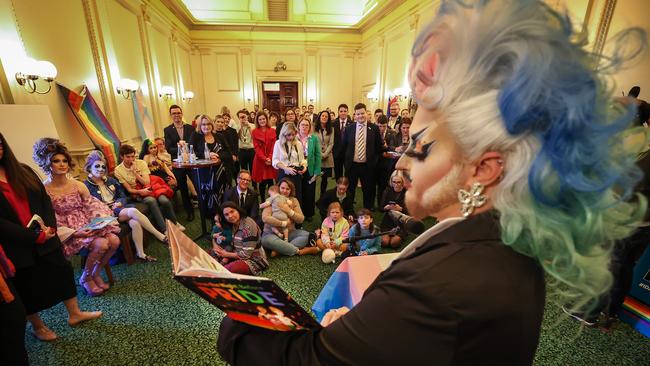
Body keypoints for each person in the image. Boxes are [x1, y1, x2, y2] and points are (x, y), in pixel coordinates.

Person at [218, 1, 646, 364]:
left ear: (484, 168)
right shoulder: (510, 243)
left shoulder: (440, 287)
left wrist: (237, 319)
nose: (401, 164)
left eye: (421, 150)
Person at [0, 134, 101, 345]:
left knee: (62, 271)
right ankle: (38, 327)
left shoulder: (22, 170)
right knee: (27, 285)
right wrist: (32, 236)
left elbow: (44, 200)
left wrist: (48, 227)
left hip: (46, 234)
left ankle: (75, 313)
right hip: (17, 243)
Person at [34, 138, 122, 298]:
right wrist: (75, 233)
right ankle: (85, 278)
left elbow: (92, 206)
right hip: (67, 231)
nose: (61, 164)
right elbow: (49, 219)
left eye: (64, 161)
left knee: (115, 241)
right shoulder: (44, 190)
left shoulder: (77, 185)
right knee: (102, 244)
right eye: (56, 161)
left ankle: (94, 273)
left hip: (87, 224)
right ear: (48, 163)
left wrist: (100, 223)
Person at [84, 151, 166, 262]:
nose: (101, 169)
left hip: (118, 209)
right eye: (97, 166)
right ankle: (160, 235)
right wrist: (105, 208)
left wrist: (119, 202)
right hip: (104, 216)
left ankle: (140, 254)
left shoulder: (110, 180)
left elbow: (122, 195)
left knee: (135, 223)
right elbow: (88, 205)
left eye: (103, 166)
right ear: (89, 168)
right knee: (133, 211)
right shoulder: (85, 186)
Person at [114, 144, 183, 233]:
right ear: (121, 156)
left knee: (164, 200)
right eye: (128, 157)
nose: (131, 159)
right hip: (137, 192)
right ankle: (164, 229)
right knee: (151, 201)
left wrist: (135, 173)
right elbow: (129, 189)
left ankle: (175, 223)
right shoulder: (118, 170)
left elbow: (146, 182)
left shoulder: (141, 163)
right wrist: (140, 191)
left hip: (150, 187)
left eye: (133, 156)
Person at [341, 102, 382, 210]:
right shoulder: (349, 128)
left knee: (368, 189)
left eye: (362, 113)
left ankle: (367, 210)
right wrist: (346, 162)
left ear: (366, 113)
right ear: (354, 115)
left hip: (368, 166)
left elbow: (378, 147)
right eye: (358, 114)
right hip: (352, 166)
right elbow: (344, 146)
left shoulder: (374, 128)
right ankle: (348, 210)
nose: (360, 116)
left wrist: (374, 161)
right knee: (350, 189)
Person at [260, 178, 317, 256]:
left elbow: (301, 219)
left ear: (291, 190)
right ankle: (299, 251)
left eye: (287, 189)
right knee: (266, 241)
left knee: (307, 235)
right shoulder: (272, 199)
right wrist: (283, 223)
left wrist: (288, 211)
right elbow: (265, 218)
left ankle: (280, 250)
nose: (284, 191)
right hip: (271, 233)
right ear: (278, 188)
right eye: (282, 188)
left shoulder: (293, 200)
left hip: (289, 233)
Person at [212, 201, 268, 275]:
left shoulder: (248, 226)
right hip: (234, 253)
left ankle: (218, 271)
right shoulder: (232, 224)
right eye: (226, 214)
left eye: (232, 211)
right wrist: (218, 248)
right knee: (209, 254)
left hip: (253, 259)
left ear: (238, 210)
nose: (230, 216)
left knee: (229, 269)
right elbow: (217, 237)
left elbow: (246, 255)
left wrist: (226, 254)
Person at [163, 104, 196, 221]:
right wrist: (179, 148)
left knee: (197, 185)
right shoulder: (167, 130)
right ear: (171, 115)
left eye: (178, 113)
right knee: (183, 188)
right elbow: (168, 148)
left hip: (192, 162)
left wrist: (187, 147)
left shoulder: (190, 128)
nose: (176, 115)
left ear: (182, 114)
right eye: (174, 113)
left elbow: (195, 144)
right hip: (178, 164)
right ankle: (189, 212)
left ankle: (203, 208)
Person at [272, 122, 306, 202]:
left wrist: (304, 167)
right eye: (289, 135)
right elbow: (275, 161)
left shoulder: (298, 144)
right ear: (284, 134)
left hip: (296, 174)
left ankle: (296, 213)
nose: (291, 137)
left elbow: (301, 160)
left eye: (293, 134)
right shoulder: (278, 143)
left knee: (296, 197)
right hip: (284, 173)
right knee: (283, 197)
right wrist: (285, 168)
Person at [296, 117, 321, 221]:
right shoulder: (294, 137)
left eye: (307, 125)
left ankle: (309, 213)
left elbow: (317, 155)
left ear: (309, 127)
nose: (304, 127)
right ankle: (298, 213)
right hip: (297, 169)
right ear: (299, 126)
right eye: (303, 125)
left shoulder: (313, 138)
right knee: (298, 192)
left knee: (309, 191)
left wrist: (316, 172)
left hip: (310, 169)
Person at [379, 172, 408, 248]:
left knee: (394, 243)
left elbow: (411, 212)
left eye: (399, 182)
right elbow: (381, 208)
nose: (396, 184)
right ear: (391, 182)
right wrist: (386, 208)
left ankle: (401, 235)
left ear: (403, 182)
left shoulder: (407, 193)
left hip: (401, 222)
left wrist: (401, 209)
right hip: (388, 221)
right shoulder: (387, 191)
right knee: (384, 243)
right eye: (394, 182)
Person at [251, 112, 278, 196]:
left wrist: (269, 158)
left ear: (266, 119)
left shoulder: (273, 131)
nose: (262, 121)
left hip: (271, 159)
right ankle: (262, 200)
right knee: (262, 182)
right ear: (257, 121)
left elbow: (274, 146)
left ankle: (271, 200)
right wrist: (264, 158)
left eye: (263, 119)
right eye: (260, 119)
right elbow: (256, 148)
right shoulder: (254, 131)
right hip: (260, 160)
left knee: (270, 181)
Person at [377, 115, 396, 207]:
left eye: (384, 126)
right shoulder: (375, 132)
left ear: (387, 124)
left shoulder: (391, 133)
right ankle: (377, 204)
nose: (382, 128)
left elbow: (392, 147)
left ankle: (383, 204)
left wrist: (386, 147)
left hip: (387, 163)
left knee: (384, 185)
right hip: (376, 162)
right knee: (376, 185)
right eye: (380, 126)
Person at [315, 110, 335, 198]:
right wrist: (320, 154)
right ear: (319, 117)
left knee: (325, 179)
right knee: (314, 178)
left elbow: (331, 143)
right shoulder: (314, 128)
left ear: (328, 119)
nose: (324, 118)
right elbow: (313, 142)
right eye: (322, 116)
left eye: (326, 116)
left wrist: (325, 154)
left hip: (327, 157)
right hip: (316, 156)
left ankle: (322, 197)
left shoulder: (331, 129)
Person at [332, 103, 350, 180]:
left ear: (347, 112)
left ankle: (347, 189)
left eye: (345, 111)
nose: (343, 113)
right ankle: (338, 187)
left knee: (348, 173)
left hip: (348, 153)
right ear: (338, 112)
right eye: (341, 111)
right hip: (336, 153)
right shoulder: (333, 123)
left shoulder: (352, 124)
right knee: (338, 173)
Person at [237, 110, 255, 176]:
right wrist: (240, 127)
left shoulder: (253, 126)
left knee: (252, 169)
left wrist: (249, 127)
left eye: (243, 117)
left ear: (247, 116)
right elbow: (236, 138)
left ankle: (254, 185)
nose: (242, 119)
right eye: (240, 117)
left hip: (251, 150)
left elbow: (254, 137)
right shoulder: (237, 126)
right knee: (244, 170)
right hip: (242, 151)